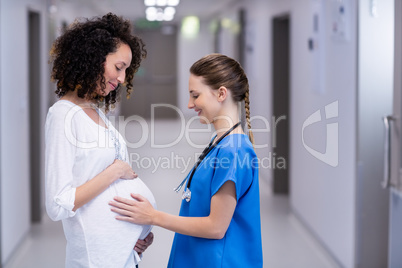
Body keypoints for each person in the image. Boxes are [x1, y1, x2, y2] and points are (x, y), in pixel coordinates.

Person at [109, 54, 263, 267]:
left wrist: (153, 217)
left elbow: (216, 227)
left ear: (221, 94)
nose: (190, 104)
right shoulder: (220, 142)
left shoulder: (234, 151)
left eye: (195, 95)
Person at [45, 13, 156, 267]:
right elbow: (57, 204)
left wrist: (138, 233)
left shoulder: (96, 111)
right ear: (94, 58)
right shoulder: (63, 115)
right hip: (96, 259)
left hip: (124, 254)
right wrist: (115, 172)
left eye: (127, 70)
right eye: (119, 67)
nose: (122, 79)